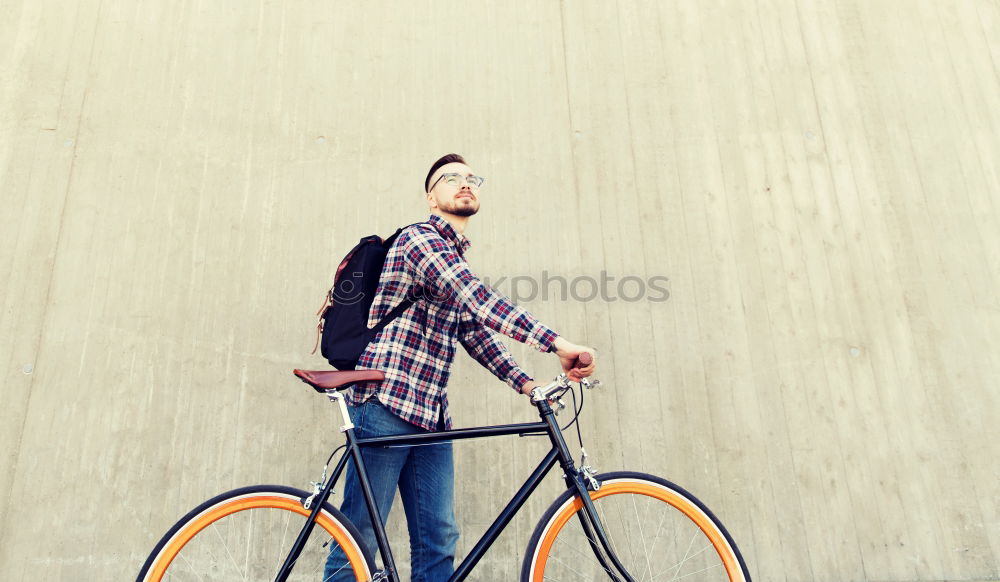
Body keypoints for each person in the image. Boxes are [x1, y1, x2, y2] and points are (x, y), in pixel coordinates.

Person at [324, 153, 596, 581]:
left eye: (472, 178)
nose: (465, 183)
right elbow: (475, 297)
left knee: (438, 540)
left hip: (432, 416)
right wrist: (556, 343)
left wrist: (527, 384)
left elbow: (474, 332)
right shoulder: (420, 240)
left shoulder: (453, 255)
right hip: (385, 403)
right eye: (451, 178)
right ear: (432, 197)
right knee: (358, 542)